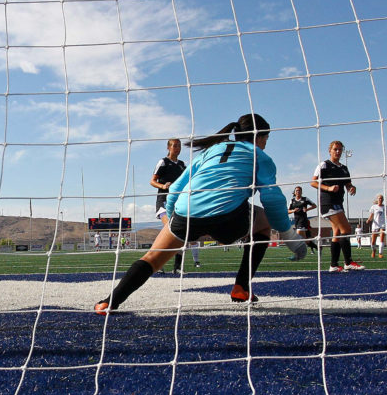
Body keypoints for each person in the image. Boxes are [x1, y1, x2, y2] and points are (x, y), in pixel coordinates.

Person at [94, 113, 306, 314]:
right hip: (228, 220)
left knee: (152, 258)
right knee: (264, 221)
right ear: (259, 136)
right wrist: (290, 236)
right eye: (266, 137)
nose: (266, 143)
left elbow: (176, 188)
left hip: (186, 214)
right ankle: (242, 287)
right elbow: (272, 198)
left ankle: (109, 302)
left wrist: (171, 220)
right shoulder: (260, 155)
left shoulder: (209, 151)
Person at [311, 140, 363, 273]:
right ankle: (348, 262)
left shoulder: (344, 168)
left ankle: (333, 265)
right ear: (330, 150)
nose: (338, 152)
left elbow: (348, 184)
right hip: (327, 202)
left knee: (337, 232)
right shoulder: (324, 165)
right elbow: (313, 182)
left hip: (338, 202)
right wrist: (328, 188)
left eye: (340, 149)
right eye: (335, 149)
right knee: (346, 229)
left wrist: (352, 188)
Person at [151, 138, 188, 274]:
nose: (177, 148)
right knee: (169, 229)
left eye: (179, 146)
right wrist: (163, 185)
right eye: (174, 146)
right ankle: (157, 262)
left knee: (181, 232)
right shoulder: (163, 162)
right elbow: (152, 181)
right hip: (164, 201)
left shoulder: (182, 165)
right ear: (168, 148)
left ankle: (177, 267)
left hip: (178, 203)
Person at [287, 186, 317, 260]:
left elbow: (314, 205)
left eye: (299, 190)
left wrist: (307, 209)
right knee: (304, 239)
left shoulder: (305, 199)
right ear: (294, 192)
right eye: (297, 190)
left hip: (303, 220)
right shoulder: (292, 200)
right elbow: (287, 211)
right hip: (296, 221)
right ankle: (316, 246)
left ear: (301, 192)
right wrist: (293, 211)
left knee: (297, 237)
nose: (298, 192)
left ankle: (297, 254)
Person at [367, 194, 387, 258]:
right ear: (377, 199)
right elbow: (371, 215)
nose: (380, 199)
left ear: (383, 200)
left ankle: (380, 253)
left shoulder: (385, 207)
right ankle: (374, 251)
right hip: (375, 225)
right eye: (379, 198)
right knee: (373, 241)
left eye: (381, 198)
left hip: (382, 225)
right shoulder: (374, 207)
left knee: (381, 239)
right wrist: (368, 220)